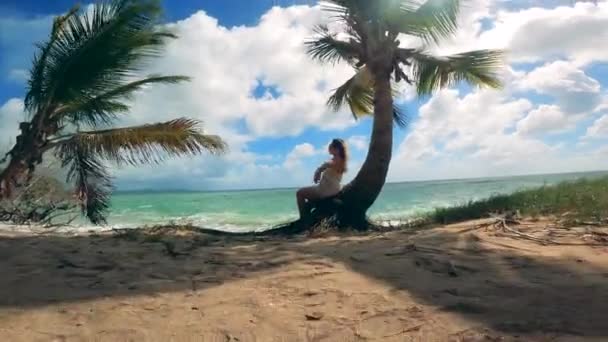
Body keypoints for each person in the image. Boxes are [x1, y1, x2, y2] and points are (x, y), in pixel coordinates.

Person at [296, 138, 348, 219]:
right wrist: (319, 171)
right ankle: (308, 217)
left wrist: (318, 171)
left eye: (331, 146)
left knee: (299, 193)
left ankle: (303, 219)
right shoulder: (341, 160)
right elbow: (329, 165)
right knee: (309, 202)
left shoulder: (337, 161)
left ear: (337, 149)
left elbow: (329, 165)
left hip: (324, 191)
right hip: (333, 190)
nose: (329, 148)